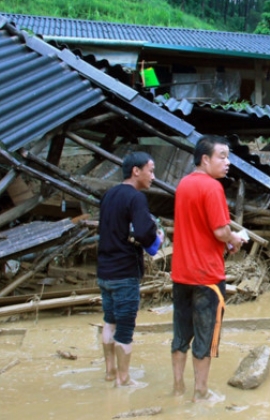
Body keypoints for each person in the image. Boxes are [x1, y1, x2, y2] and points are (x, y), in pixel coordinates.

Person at [171, 137, 245, 401]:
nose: (227, 163)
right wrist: (234, 239)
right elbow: (220, 230)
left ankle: (178, 388)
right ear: (205, 159)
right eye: (222, 157)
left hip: (181, 273)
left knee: (181, 334)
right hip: (208, 277)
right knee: (207, 338)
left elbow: (199, 228)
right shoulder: (212, 188)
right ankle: (200, 393)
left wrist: (223, 241)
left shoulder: (183, 184)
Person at [97, 151, 163, 387]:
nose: (153, 176)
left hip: (104, 272)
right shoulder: (136, 198)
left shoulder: (109, 195)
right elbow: (145, 233)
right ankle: (123, 381)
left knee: (109, 321)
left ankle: (110, 372)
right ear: (137, 171)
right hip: (124, 273)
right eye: (151, 170)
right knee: (124, 329)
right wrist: (158, 238)